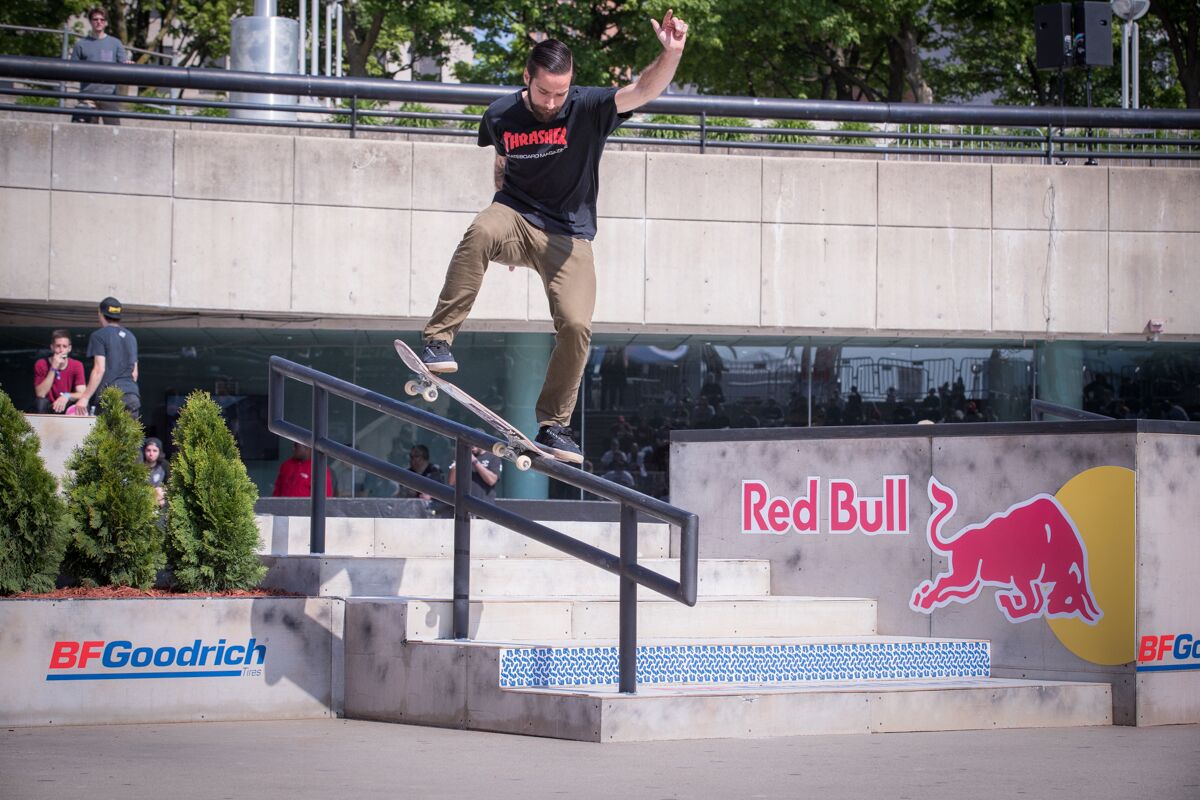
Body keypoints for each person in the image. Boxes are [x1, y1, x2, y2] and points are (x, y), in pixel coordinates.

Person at [417, 11, 689, 463]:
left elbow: (643, 90)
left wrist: (671, 53)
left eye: (560, 93)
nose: (551, 101)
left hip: (570, 237)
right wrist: (502, 228)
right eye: (543, 91)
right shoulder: (501, 113)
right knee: (482, 229)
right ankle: (437, 341)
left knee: (578, 326)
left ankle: (553, 427)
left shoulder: (587, 108)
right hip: (518, 217)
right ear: (527, 77)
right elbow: (503, 162)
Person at [73, 297, 140, 418]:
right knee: (128, 436)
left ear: (100, 313)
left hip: (111, 396)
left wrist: (85, 398)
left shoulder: (99, 336)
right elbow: (134, 374)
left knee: (107, 436)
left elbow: (99, 369)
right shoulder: (131, 337)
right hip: (132, 396)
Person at [70, 7, 133, 125]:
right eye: (95, 19)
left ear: (106, 23)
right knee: (81, 133)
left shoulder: (115, 43)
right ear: (90, 21)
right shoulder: (81, 45)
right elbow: (72, 71)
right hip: (87, 95)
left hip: (109, 96)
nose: (99, 22)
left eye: (102, 19)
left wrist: (128, 64)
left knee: (115, 132)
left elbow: (123, 64)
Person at [33, 329, 86, 414]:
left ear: (69, 348)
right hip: (49, 407)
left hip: (66, 406)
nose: (61, 350)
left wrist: (67, 396)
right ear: (52, 347)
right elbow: (40, 394)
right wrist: (53, 368)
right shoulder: (41, 364)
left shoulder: (77, 365)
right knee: (40, 402)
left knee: (83, 403)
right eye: (58, 346)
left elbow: (82, 393)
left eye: (64, 346)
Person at [142, 437, 168, 508]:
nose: (151, 454)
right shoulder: (139, 465)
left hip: (160, 502)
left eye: (155, 451)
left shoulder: (165, 465)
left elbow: (170, 484)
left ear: (160, 452)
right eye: (148, 450)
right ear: (144, 451)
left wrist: (163, 490)